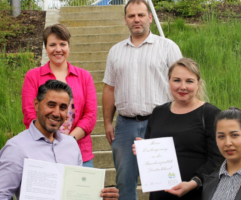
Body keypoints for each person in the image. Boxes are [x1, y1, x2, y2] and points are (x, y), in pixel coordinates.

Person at [102, 0, 182, 199]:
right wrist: (107, 123)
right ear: (125, 20)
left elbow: (181, 85)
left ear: (150, 17)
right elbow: (109, 88)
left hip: (160, 124)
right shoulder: (115, 51)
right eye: (131, 16)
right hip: (124, 125)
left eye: (140, 15)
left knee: (163, 181)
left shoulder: (168, 47)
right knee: (125, 183)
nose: (136, 19)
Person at [0, 80, 119, 200]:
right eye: (51, 105)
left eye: (63, 107)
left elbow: (77, 194)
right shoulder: (16, 147)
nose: (57, 113)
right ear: (36, 104)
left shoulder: (71, 145)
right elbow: (0, 196)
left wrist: (98, 196)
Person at [132, 58, 224, 200]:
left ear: (198, 84)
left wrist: (195, 182)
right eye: (176, 80)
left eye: (189, 81)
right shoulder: (158, 112)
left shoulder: (210, 114)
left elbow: (218, 158)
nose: (182, 86)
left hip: (197, 193)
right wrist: (144, 152)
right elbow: (153, 156)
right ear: (168, 82)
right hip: (160, 194)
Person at [22, 24, 96, 167]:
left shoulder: (84, 77)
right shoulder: (33, 77)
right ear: (45, 48)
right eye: (52, 44)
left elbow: (90, 116)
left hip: (79, 152)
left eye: (63, 44)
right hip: (41, 153)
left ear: (69, 47)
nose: (58, 49)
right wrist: (50, 142)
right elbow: (30, 113)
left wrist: (67, 142)